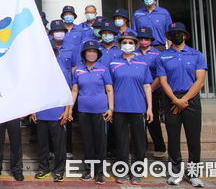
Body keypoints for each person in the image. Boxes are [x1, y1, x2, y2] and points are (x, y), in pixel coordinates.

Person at [157, 22, 207, 188]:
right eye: (172, 34)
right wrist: (175, 100)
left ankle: (193, 174)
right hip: (171, 99)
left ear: (185, 35)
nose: (176, 36)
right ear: (169, 38)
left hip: (190, 99)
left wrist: (184, 99)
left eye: (179, 33)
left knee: (193, 139)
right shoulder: (162, 56)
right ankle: (175, 172)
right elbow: (163, 81)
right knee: (173, 138)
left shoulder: (196, 55)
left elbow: (200, 82)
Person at [109, 34, 153, 185]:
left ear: (135, 45)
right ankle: (121, 171)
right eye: (125, 42)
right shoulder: (113, 63)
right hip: (119, 108)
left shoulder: (143, 63)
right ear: (120, 45)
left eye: (130, 42)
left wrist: (150, 108)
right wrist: (111, 107)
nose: (127, 44)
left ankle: (137, 172)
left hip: (138, 107)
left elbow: (147, 86)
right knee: (121, 141)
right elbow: (110, 88)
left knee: (139, 141)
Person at [71, 40, 114, 184]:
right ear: (84, 54)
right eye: (89, 51)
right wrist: (70, 109)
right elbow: (75, 90)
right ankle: (89, 170)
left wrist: (111, 108)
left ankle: (100, 172)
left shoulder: (103, 69)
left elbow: (109, 90)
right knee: (88, 142)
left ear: (98, 54)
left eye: (94, 51)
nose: (91, 54)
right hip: (83, 111)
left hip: (100, 111)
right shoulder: (78, 70)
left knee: (100, 141)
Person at [33, 44, 73, 183]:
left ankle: (59, 171)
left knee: (59, 145)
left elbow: (69, 92)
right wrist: (33, 110)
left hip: (57, 113)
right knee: (42, 144)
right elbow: (34, 91)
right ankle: (43, 169)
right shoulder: (38, 71)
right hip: (41, 112)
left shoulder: (62, 70)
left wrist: (67, 111)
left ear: (56, 54)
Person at [136, 27, 166, 157]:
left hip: (153, 90)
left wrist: (150, 90)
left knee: (152, 119)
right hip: (137, 91)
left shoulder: (157, 54)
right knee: (137, 120)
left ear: (151, 40)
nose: (143, 41)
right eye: (141, 39)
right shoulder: (134, 53)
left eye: (146, 39)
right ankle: (139, 147)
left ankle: (159, 147)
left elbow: (160, 75)